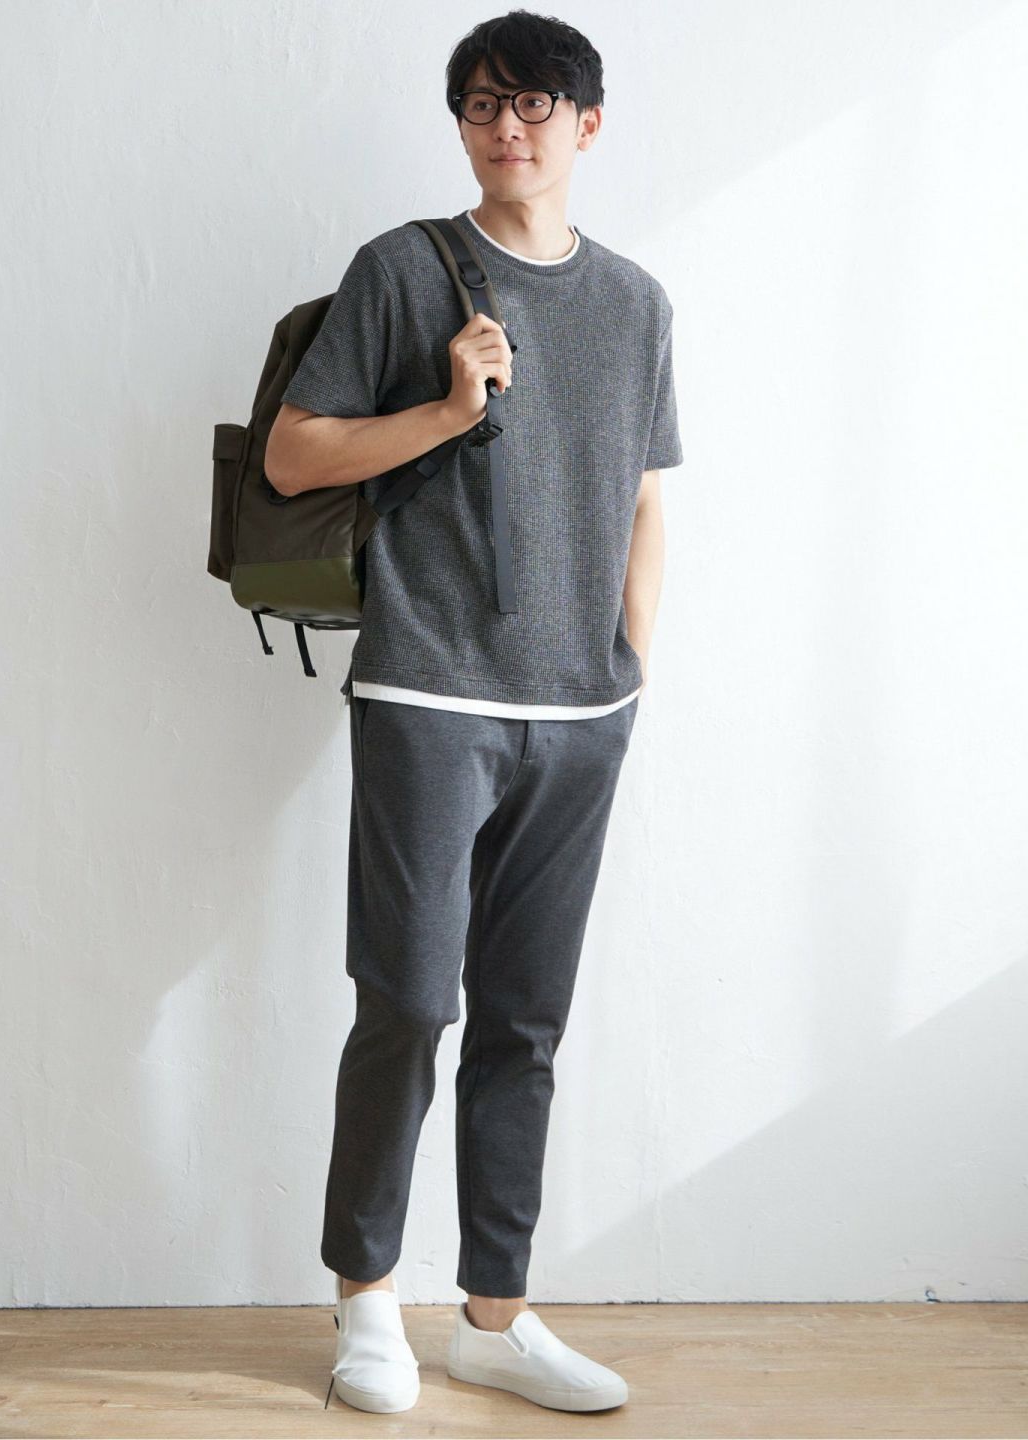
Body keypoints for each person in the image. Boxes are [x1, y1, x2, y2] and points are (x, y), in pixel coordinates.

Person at [265, 8, 683, 1415]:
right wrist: (448, 410)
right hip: (428, 691)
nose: (509, 126)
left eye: (536, 103)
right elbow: (294, 455)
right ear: (460, 123)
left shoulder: (637, 304)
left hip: (583, 713)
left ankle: (494, 1318)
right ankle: (367, 1300)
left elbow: (646, 495)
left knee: (526, 1020)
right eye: (483, 104)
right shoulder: (404, 268)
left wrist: (629, 668)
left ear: (587, 124)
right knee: (405, 1001)